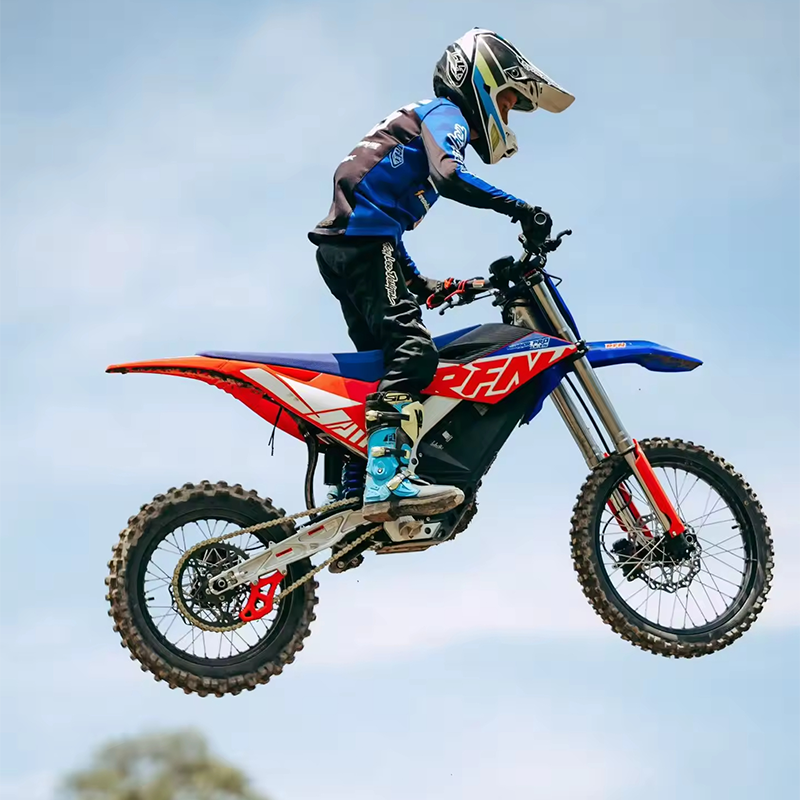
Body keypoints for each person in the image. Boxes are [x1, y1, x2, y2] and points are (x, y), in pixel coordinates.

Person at [308, 28, 574, 522]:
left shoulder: (417, 120)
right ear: (481, 82)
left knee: (381, 368)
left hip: (350, 247)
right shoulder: (446, 114)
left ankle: (351, 490)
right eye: (507, 103)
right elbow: (448, 176)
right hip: (363, 245)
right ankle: (386, 480)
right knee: (414, 355)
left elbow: (375, 210)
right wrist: (522, 210)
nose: (507, 118)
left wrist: (427, 284)